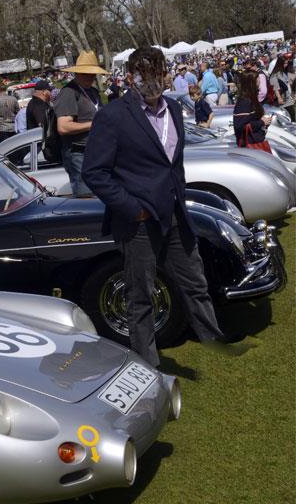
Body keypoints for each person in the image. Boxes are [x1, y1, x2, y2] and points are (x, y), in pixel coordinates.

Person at [82, 46, 241, 368]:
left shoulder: (171, 107)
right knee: (141, 294)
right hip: (138, 221)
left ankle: (214, 341)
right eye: (146, 77)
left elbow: (172, 166)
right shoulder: (112, 116)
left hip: (174, 215)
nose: (155, 83)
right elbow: (94, 172)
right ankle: (147, 363)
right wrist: (132, 208)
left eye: (159, 75)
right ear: (130, 77)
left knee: (195, 282)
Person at [55, 51, 106, 197]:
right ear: (77, 73)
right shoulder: (69, 92)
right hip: (78, 153)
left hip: (95, 151)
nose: (89, 77)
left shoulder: (94, 92)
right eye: (85, 73)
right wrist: (94, 124)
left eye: (91, 74)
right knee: (86, 197)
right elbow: (63, 127)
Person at [233, 71, 273, 153]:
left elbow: (251, 119)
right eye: (257, 78)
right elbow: (239, 126)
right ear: (251, 82)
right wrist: (261, 122)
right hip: (250, 147)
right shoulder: (244, 101)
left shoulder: (252, 98)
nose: (259, 80)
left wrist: (262, 120)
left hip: (257, 142)